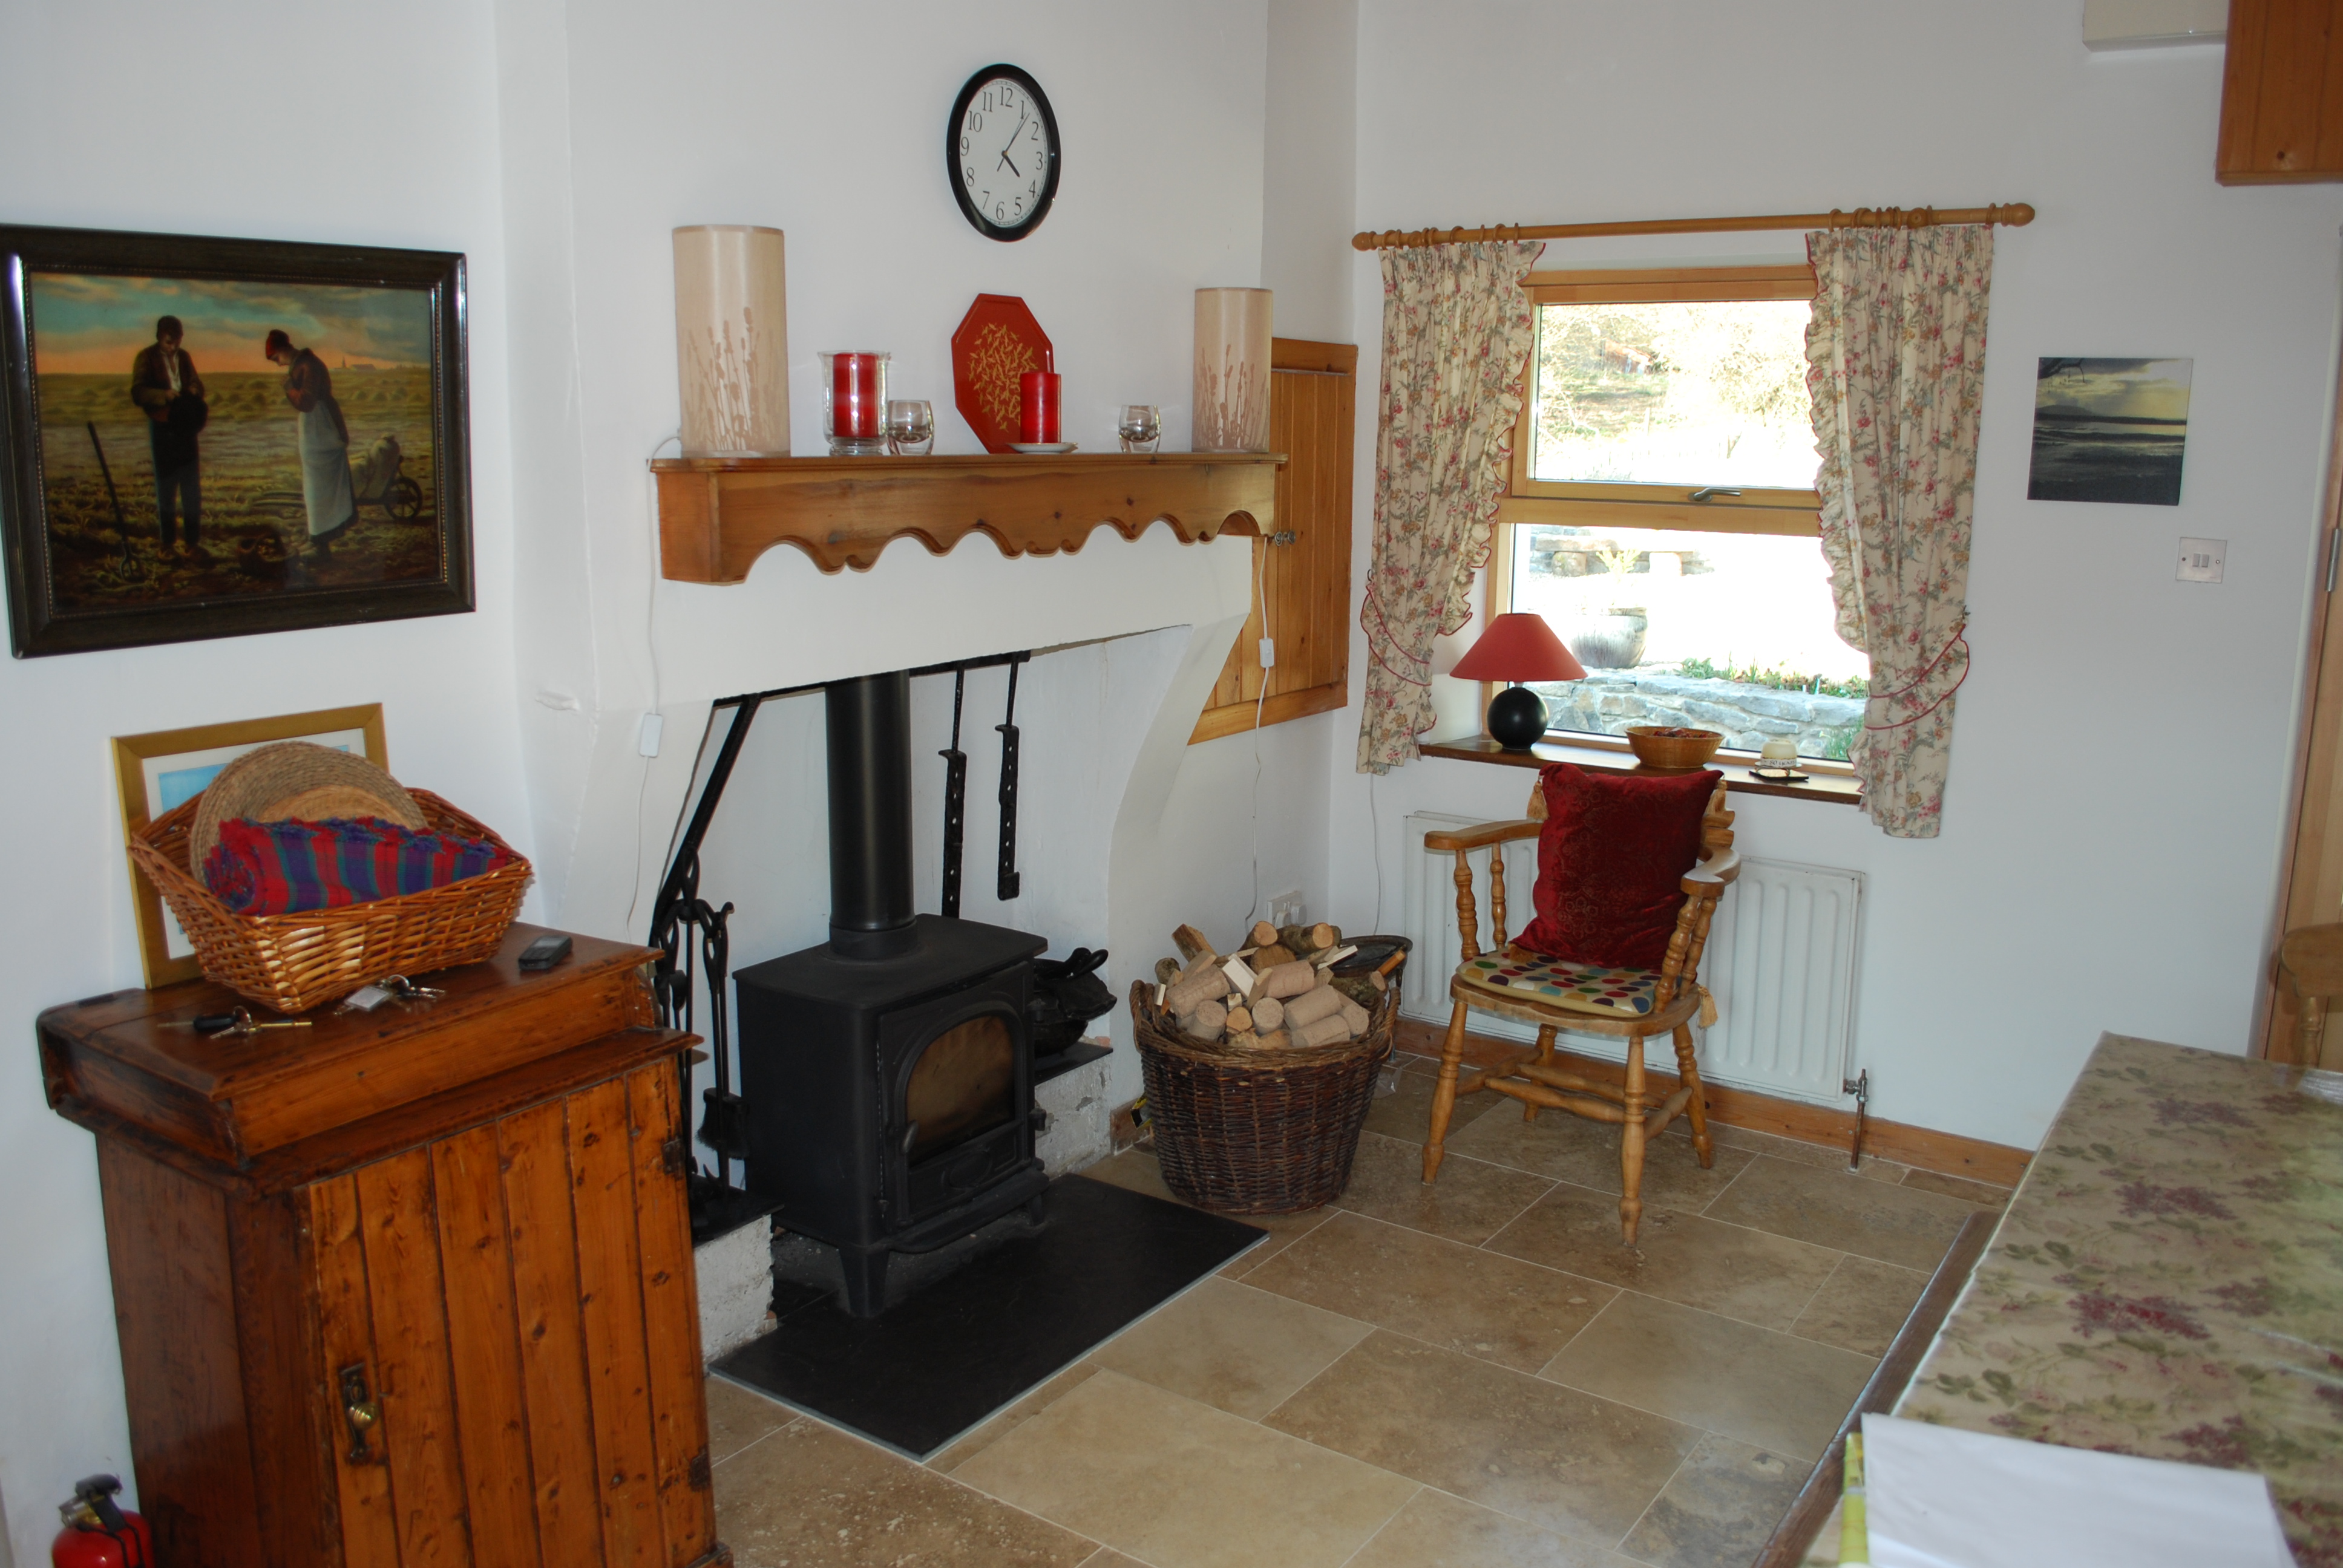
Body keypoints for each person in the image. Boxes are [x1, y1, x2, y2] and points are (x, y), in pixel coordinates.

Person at [263, 327, 355, 555]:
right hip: (316, 425)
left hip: (320, 427)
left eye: (276, 358)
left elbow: (306, 402)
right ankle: (317, 537)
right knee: (315, 483)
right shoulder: (304, 363)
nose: (277, 364)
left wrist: (288, 388)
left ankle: (320, 542)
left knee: (317, 484)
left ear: (284, 350)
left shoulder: (308, 364)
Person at [129, 315, 206, 557]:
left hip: (186, 426)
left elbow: (197, 382)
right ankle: (167, 545)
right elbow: (138, 392)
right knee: (166, 487)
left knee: (192, 487)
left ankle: (193, 543)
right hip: (162, 427)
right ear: (159, 338)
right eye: (168, 342)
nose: (173, 347)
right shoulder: (146, 357)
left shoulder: (184, 357)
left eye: (177, 341)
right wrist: (165, 396)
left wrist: (194, 388)